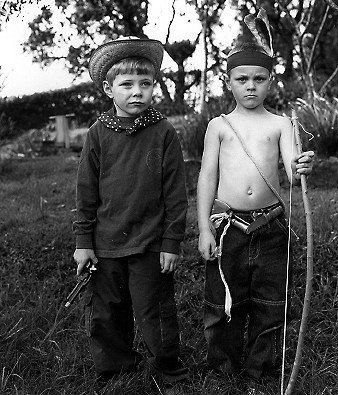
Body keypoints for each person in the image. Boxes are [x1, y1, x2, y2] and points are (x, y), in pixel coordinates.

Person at [197, 9, 314, 392]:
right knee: (223, 302)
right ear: (228, 82)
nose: (251, 86)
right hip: (228, 225)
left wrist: (303, 165)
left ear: (270, 81)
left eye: (259, 79)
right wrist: (203, 228)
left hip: (271, 225)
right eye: (242, 79)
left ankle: (260, 369)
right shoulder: (219, 125)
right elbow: (207, 178)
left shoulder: (280, 123)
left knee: (270, 301)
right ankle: (222, 368)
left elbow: (291, 172)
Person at [72, 37, 188, 385]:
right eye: (126, 85)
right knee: (107, 312)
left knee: (156, 311)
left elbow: (176, 194)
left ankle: (168, 370)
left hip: (151, 242)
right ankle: (116, 368)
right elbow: (86, 192)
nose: (137, 91)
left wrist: (171, 242)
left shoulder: (164, 133)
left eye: (145, 83)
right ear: (109, 89)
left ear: (154, 86)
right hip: (105, 242)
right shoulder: (97, 134)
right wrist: (83, 240)